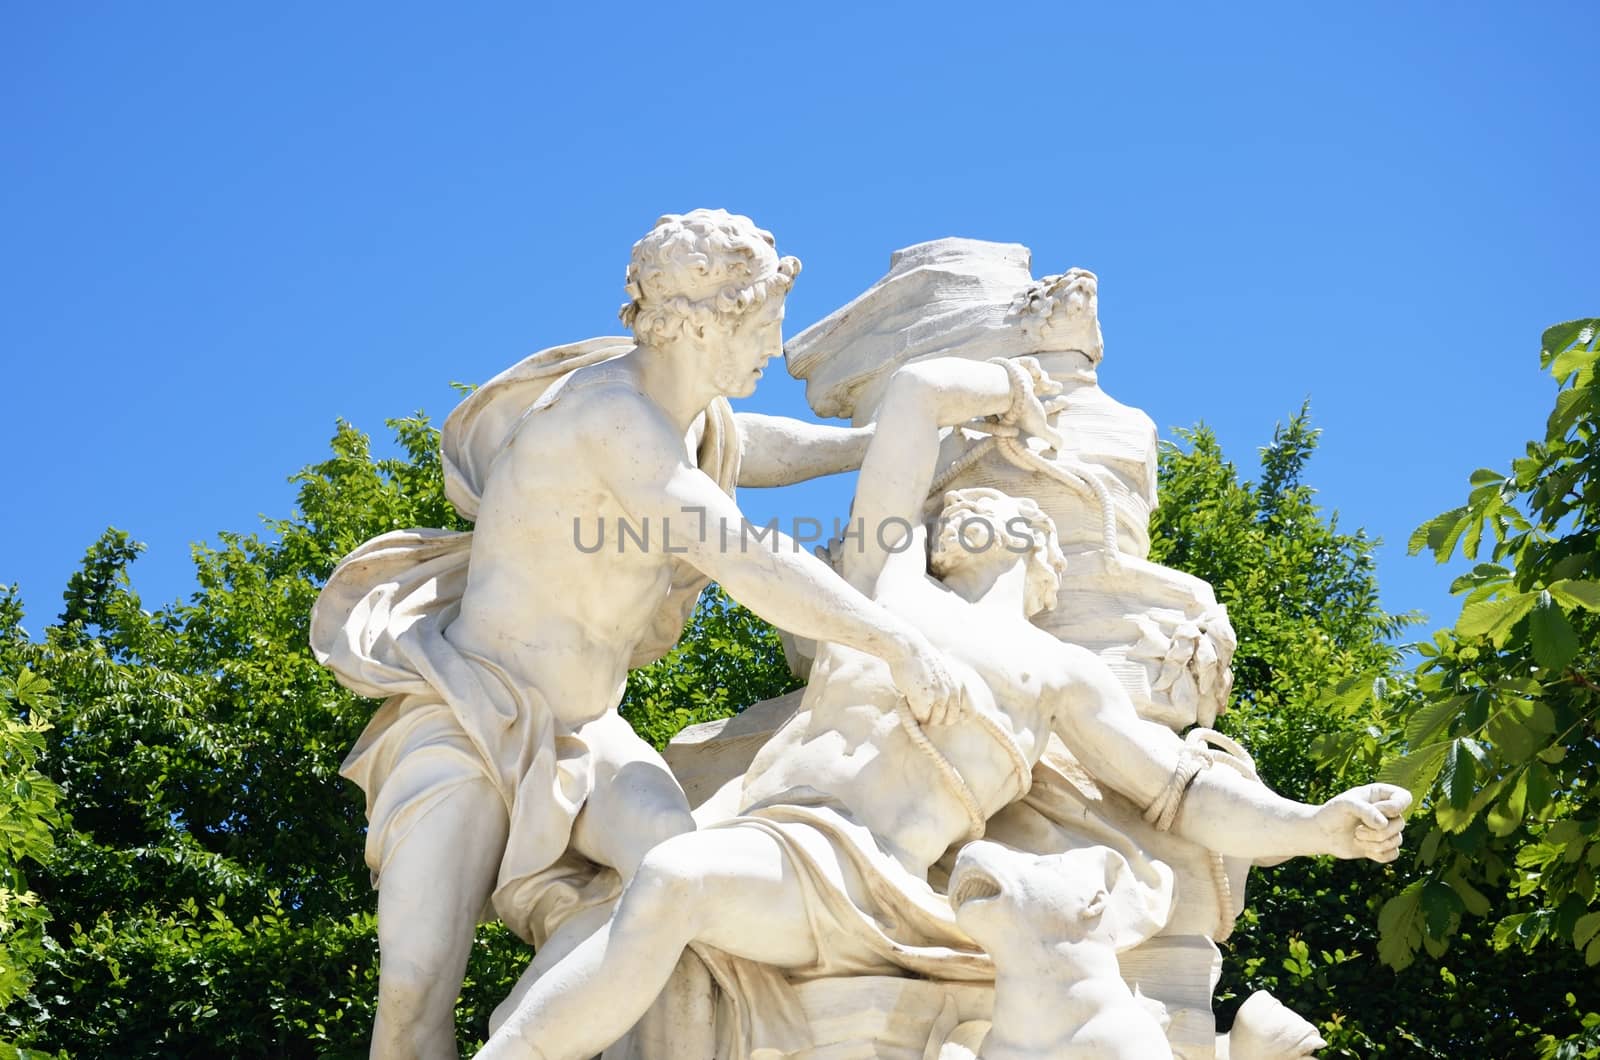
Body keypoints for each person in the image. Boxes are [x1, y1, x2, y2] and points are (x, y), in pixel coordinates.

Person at [476, 354, 1411, 1060]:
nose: (955, 516)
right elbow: (919, 393)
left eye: (993, 511)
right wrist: (1010, 382)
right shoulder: (886, 594)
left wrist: (1319, 826)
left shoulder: (1060, 681)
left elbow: (1180, 794)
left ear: (1040, 558)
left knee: (674, 880)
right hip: (772, 834)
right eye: (956, 507)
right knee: (632, 898)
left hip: (868, 885)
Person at [311, 210, 965, 1059]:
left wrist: (868, 445)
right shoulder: (606, 417)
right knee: (412, 986)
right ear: (704, 322)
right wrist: (895, 642)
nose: (776, 343)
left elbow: (748, 447)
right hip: (470, 716)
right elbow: (742, 555)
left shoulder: (684, 415)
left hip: (588, 733)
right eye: (763, 323)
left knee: (675, 868)